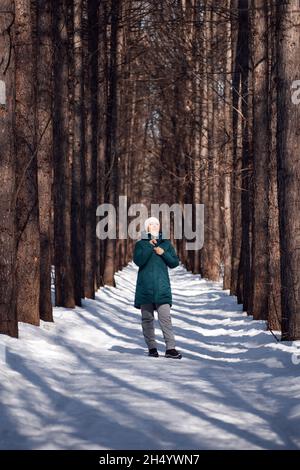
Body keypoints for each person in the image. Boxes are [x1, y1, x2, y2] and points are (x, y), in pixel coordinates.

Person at [133, 216, 182, 359]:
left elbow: (174, 263)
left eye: (156, 224)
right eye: (151, 224)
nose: (154, 226)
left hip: (162, 287)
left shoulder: (166, 244)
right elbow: (139, 261)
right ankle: (152, 348)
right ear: (146, 227)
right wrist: (150, 246)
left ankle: (170, 349)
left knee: (165, 318)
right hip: (145, 287)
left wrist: (163, 253)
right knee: (147, 319)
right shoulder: (141, 244)